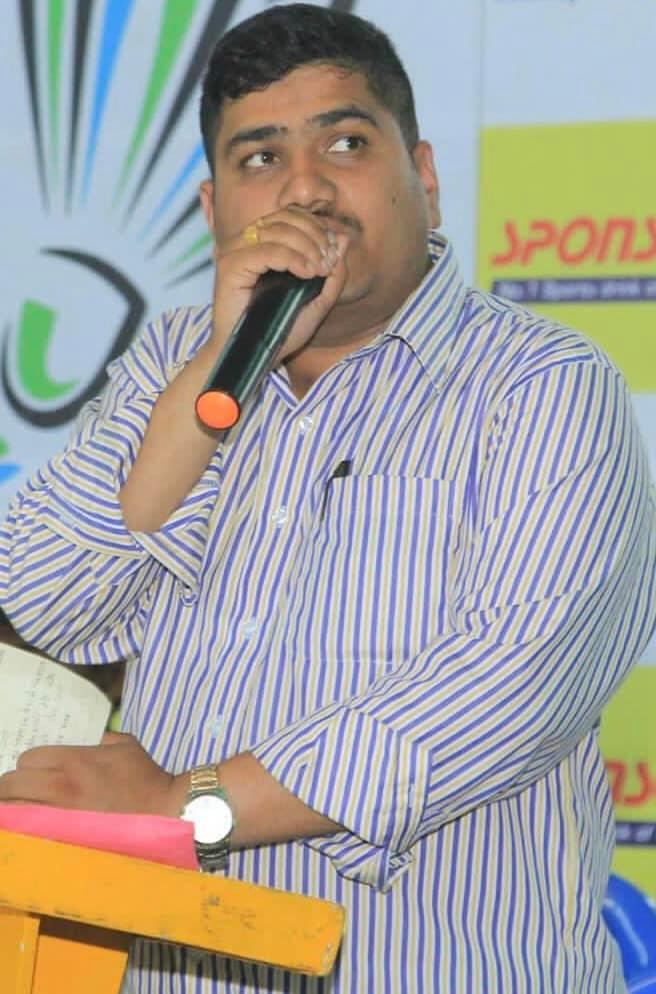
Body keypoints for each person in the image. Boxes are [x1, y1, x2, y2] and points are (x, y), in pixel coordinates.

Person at [0, 5, 654, 993]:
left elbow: (512, 685)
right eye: (260, 158)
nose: (304, 187)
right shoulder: (175, 364)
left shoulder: (542, 385)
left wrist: (188, 805)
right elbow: (47, 599)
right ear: (215, 209)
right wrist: (211, 378)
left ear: (423, 175)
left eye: (344, 144)